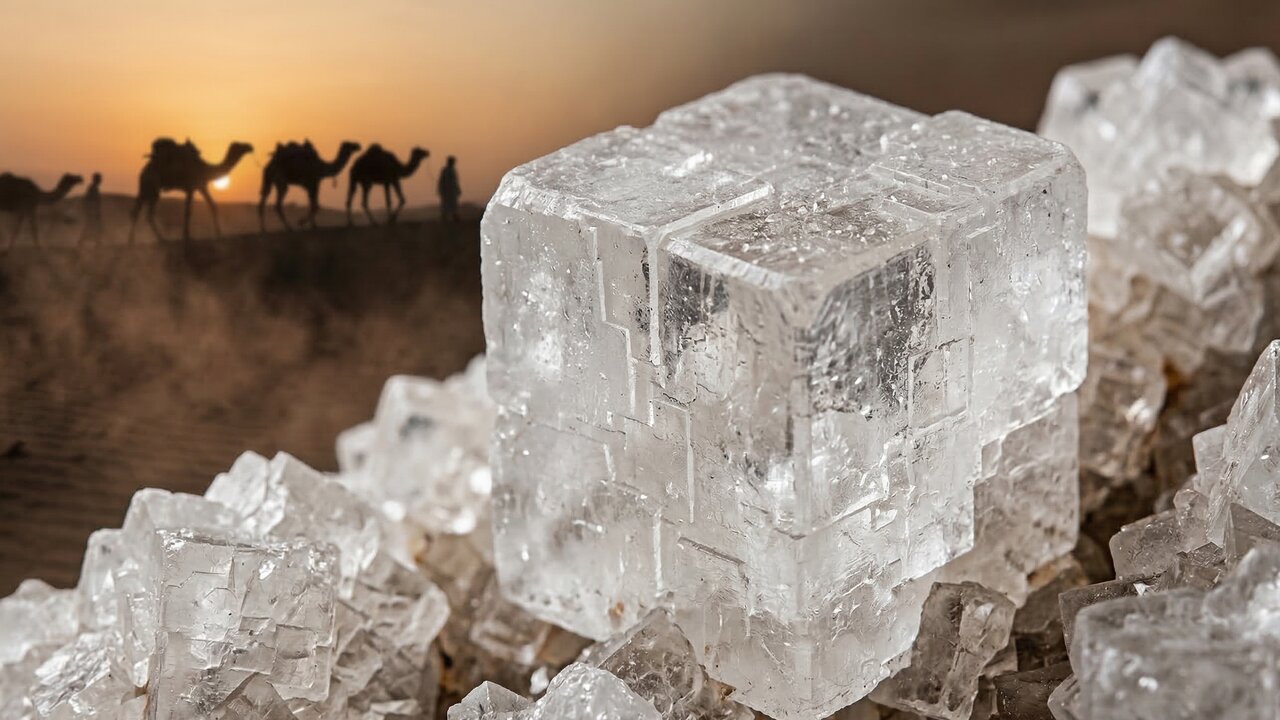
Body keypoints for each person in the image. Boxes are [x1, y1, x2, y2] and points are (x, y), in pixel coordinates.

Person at [79, 172, 103, 245]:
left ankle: (96, 242)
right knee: (91, 227)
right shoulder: (93, 188)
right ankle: (82, 242)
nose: (100, 180)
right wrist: (92, 211)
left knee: (93, 227)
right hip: (92, 212)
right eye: (99, 179)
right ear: (96, 179)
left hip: (93, 211)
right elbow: (89, 200)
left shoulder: (94, 188)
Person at [437, 155, 461, 222]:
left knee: (452, 204)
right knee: (446, 204)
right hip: (447, 191)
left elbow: (454, 181)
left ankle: (453, 216)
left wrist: (457, 189)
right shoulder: (446, 170)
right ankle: (446, 217)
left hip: (451, 190)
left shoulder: (451, 170)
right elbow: (442, 181)